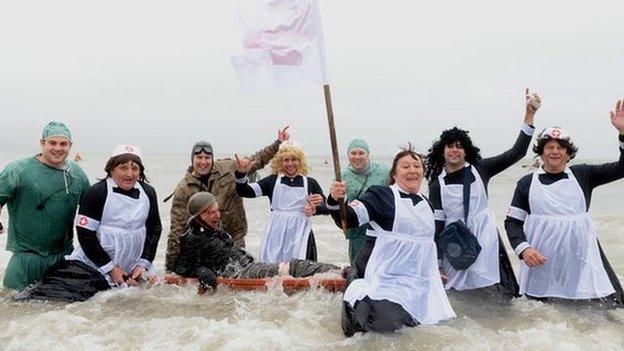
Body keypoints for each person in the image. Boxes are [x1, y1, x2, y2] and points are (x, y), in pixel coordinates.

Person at [504, 100, 624, 304]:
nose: (555, 152)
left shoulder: (584, 174)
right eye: (549, 147)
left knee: (604, 312)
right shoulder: (526, 183)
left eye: (560, 148)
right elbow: (512, 222)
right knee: (542, 313)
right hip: (542, 262)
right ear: (541, 152)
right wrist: (524, 249)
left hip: (581, 259)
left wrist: (622, 133)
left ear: (568, 154)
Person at [328, 147, 455, 337]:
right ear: (394, 174)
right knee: (378, 336)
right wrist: (335, 199)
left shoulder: (427, 204)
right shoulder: (381, 196)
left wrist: (435, 269)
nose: (412, 170)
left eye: (416, 166)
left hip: (415, 285)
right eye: (405, 166)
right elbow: (348, 219)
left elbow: (429, 245)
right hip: (378, 281)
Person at [425, 89, 540, 295]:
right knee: (457, 293)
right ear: (442, 151)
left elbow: (516, 153)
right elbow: (437, 225)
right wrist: (438, 262)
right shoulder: (436, 184)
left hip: (485, 237)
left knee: (497, 292)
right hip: (455, 241)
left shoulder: (480, 169)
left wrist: (529, 115)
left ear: (466, 151)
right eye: (450, 146)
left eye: (459, 147)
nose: (454, 150)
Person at [18, 145, 162, 302]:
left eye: (135, 168)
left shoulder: (148, 192)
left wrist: (144, 263)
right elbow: (85, 234)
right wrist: (110, 268)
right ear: (111, 169)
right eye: (123, 168)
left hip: (134, 264)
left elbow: (155, 228)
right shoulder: (97, 193)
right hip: (96, 264)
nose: (129, 173)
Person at [164, 126, 290, 272]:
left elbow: (257, 160)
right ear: (192, 159)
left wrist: (278, 143)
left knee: (240, 277)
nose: (203, 162)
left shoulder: (228, 168)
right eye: (199, 158)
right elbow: (177, 230)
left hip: (234, 239)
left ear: (212, 158)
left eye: (207, 158)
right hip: (205, 248)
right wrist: (169, 270)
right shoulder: (183, 189)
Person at [171, 192, 342, 291]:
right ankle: (342, 274)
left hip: (249, 266)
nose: (216, 216)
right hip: (240, 275)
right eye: (209, 213)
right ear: (198, 216)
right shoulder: (192, 238)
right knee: (293, 266)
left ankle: (338, 272)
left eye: (216, 211)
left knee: (290, 267)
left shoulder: (213, 229)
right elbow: (180, 268)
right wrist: (201, 270)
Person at [0, 122, 90, 291]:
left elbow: (93, 212)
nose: (58, 148)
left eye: (63, 144)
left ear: (70, 145)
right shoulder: (18, 170)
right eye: (52, 143)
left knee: (61, 313)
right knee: (15, 309)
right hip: (26, 260)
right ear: (42, 143)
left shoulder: (77, 173)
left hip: (64, 258)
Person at [235, 141, 327, 263]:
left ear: (300, 161)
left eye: (294, 159)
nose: (290, 163)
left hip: (302, 232)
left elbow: (326, 206)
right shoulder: (272, 181)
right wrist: (241, 174)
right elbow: (245, 191)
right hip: (276, 232)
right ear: (280, 162)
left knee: (304, 269)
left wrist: (315, 209)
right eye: (286, 160)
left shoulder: (310, 183)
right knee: (272, 269)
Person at [341, 138, 389, 264]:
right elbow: (339, 205)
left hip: (380, 230)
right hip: (357, 231)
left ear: (368, 154)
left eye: (361, 153)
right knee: (358, 272)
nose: (357, 157)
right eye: (353, 153)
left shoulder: (384, 172)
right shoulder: (343, 176)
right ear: (348, 156)